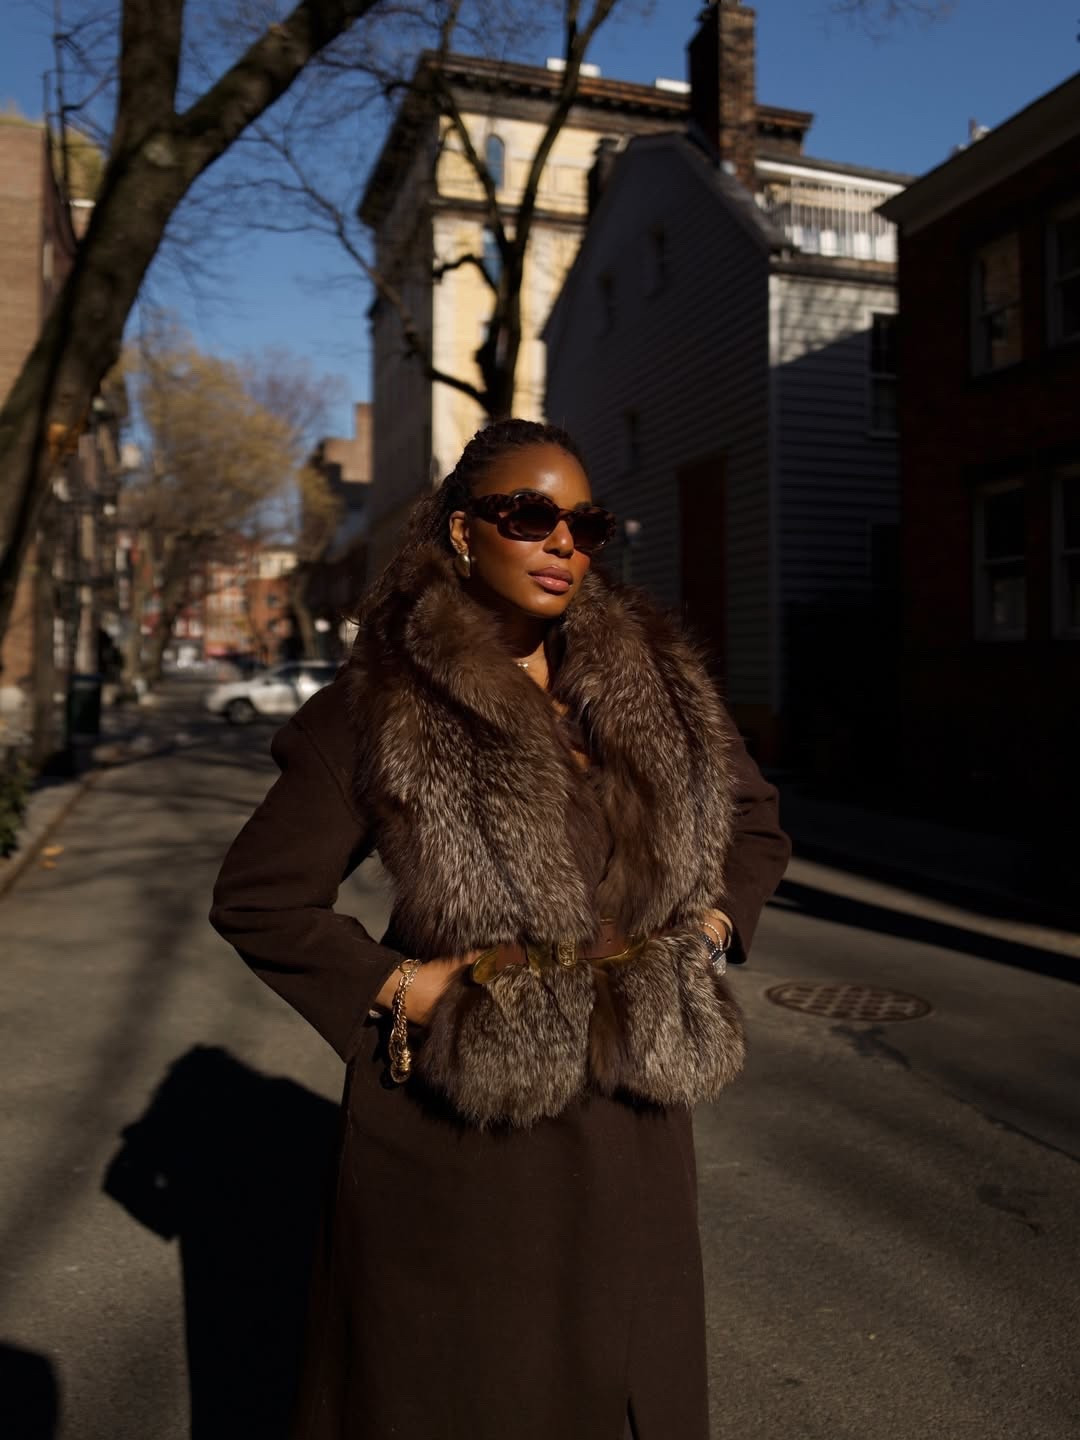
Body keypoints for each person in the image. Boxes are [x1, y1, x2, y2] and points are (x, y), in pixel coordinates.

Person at [210, 418, 790, 1440]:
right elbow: (260, 895)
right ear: (462, 531)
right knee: (480, 1395)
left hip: (637, 1108)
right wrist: (402, 988)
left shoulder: (654, 682)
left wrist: (708, 928)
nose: (563, 541)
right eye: (529, 514)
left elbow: (755, 821)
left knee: (631, 1384)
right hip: (470, 1125)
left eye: (585, 525)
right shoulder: (384, 701)